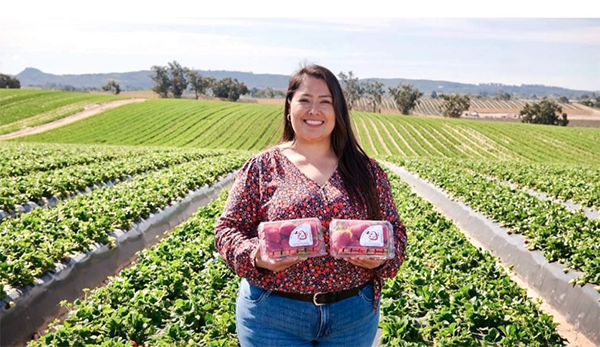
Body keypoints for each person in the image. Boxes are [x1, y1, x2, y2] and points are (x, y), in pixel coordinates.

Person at [214, 64, 407, 347]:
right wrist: (257, 256)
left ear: (338, 111)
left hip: (352, 316)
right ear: (289, 106)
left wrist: (383, 258)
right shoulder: (262, 167)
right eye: (305, 100)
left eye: (325, 102)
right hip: (273, 315)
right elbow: (227, 229)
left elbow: (396, 234)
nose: (314, 110)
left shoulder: (367, 171)